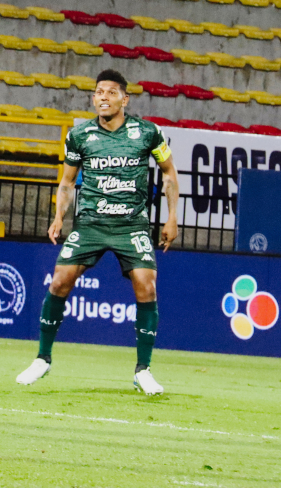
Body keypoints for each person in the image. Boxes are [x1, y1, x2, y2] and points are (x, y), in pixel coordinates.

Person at [15, 69, 179, 395]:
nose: (102, 97)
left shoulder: (148, 133)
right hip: (89, 224)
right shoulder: (79, 136)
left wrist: (172, 218)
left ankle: (143, 370)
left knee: (147, 286)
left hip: (131, 225)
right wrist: (59, 216)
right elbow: (66, 182)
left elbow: (169, 174)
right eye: (98, 92)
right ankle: (42, 359)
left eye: (110, 92)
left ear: (124, 98)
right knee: (60, 279)